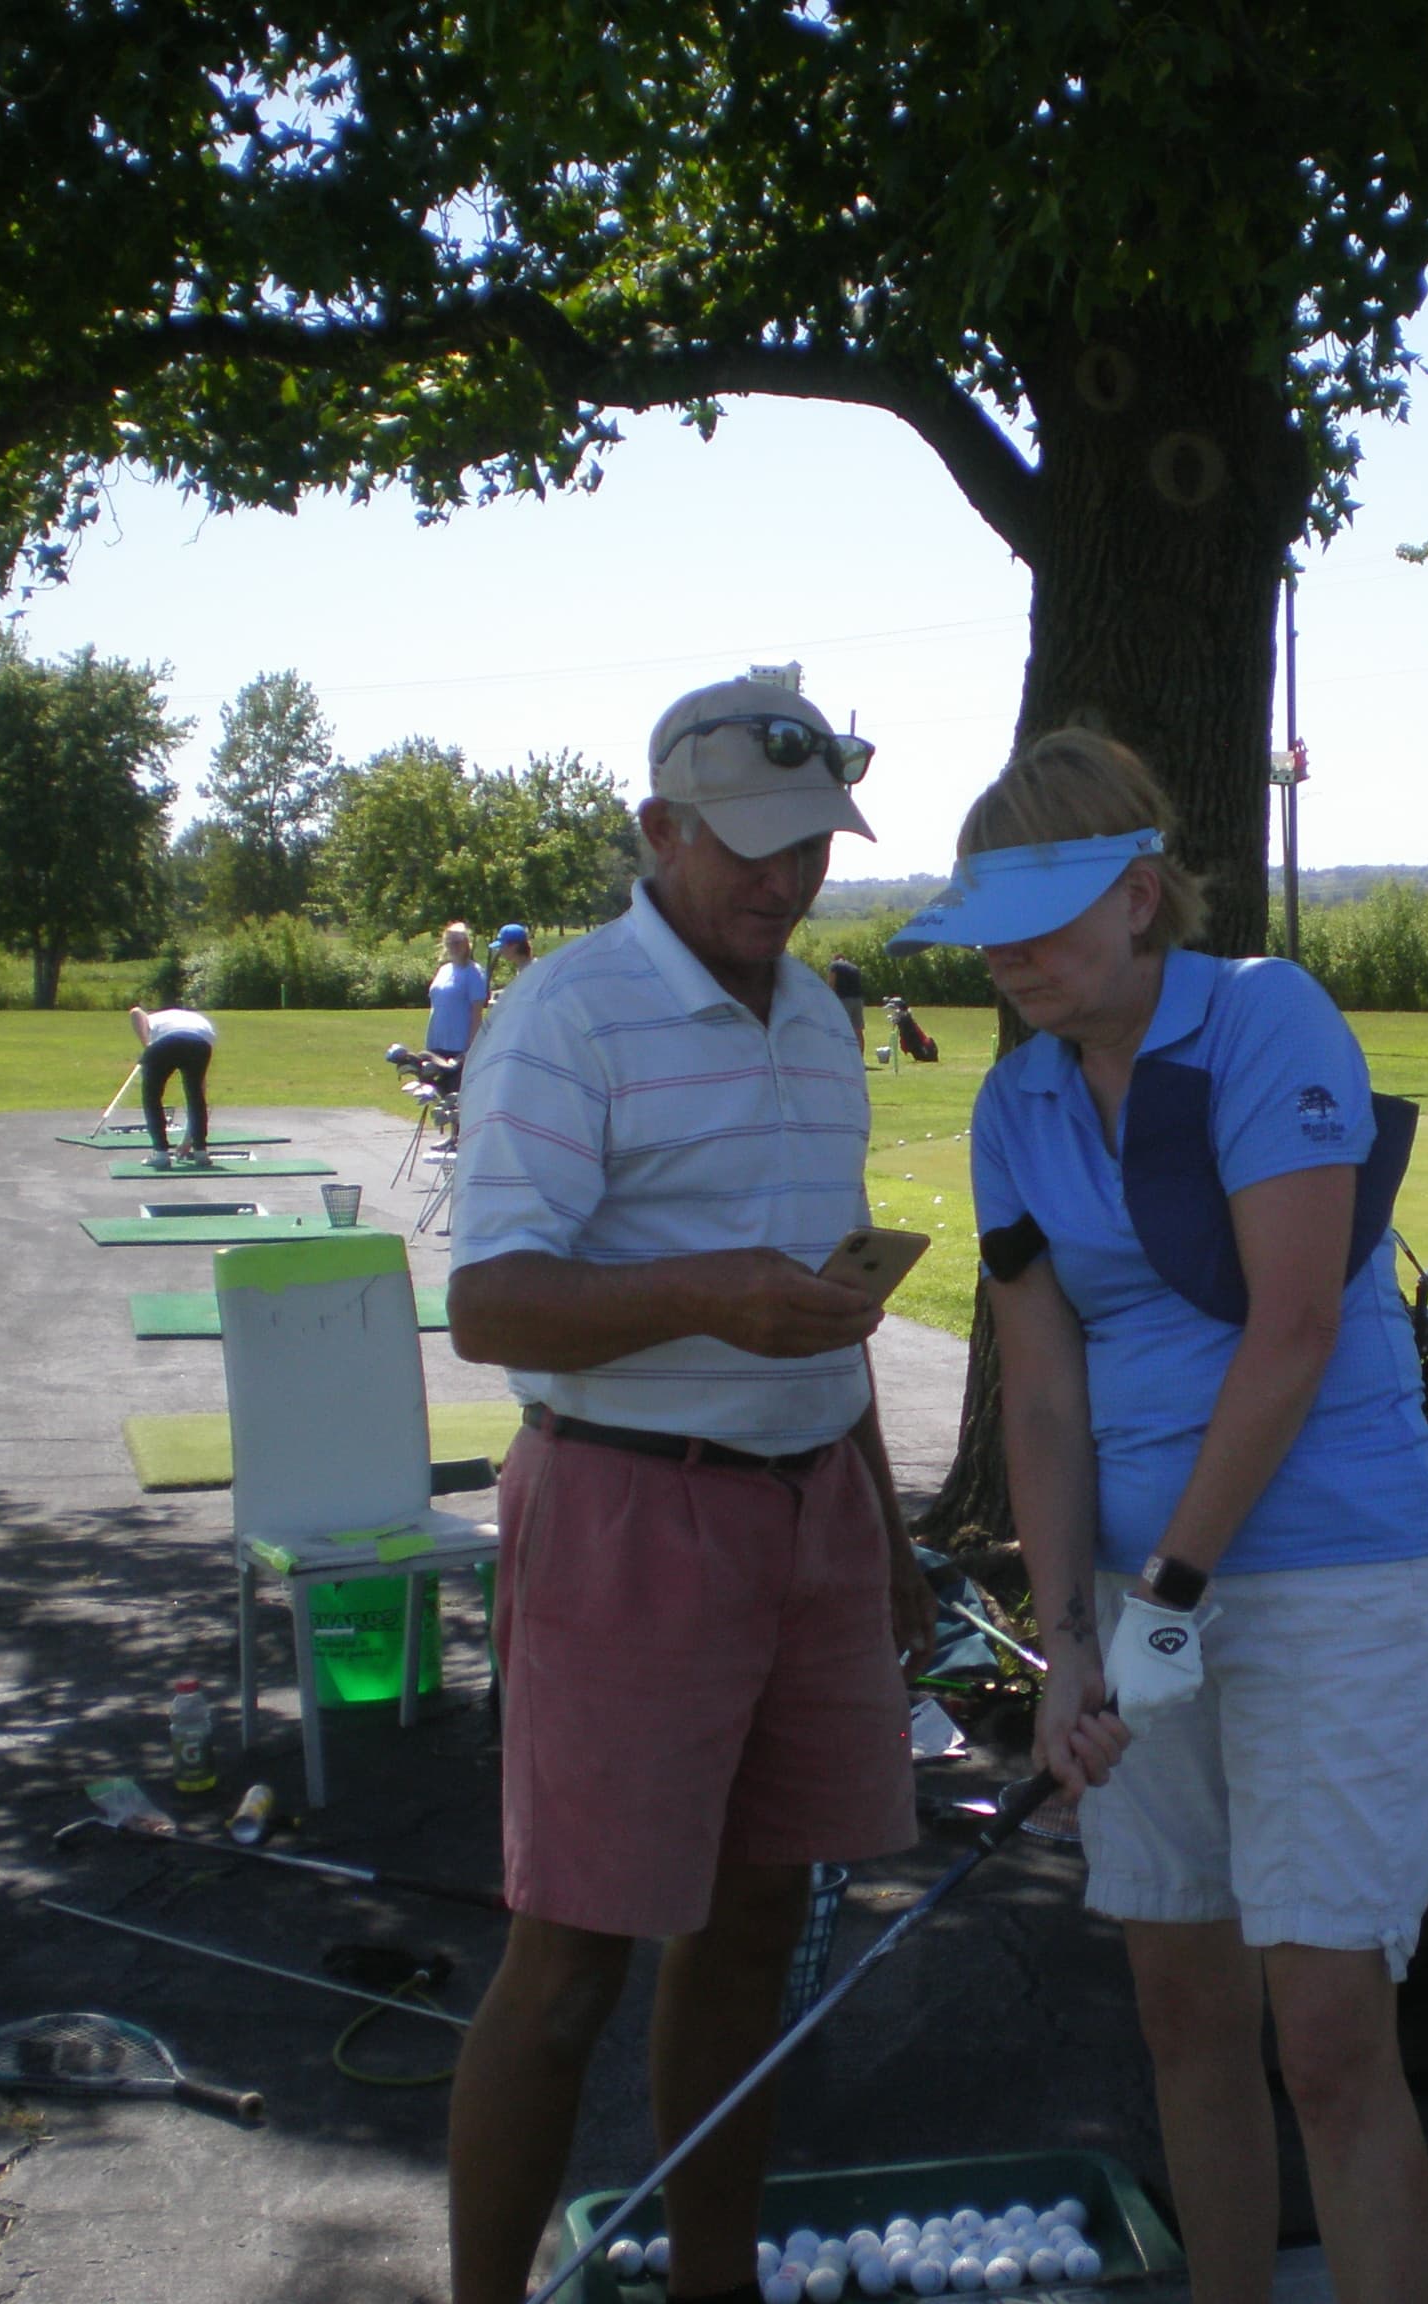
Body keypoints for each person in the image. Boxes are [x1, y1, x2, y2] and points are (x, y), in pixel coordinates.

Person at [889, 729, 1428, 2304]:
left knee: (1332, 2039)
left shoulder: (1270, 1020)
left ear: (1142, 897)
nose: (1006, 961)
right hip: (1147, 1597)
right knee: (1182, 2010)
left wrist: (1168, 1600)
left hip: (1338, 1574)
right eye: (986, 933)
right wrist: (1070, 1638)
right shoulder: (1013, 1102)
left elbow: (1292, 1331)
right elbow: (1043, 1393)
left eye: (1044, 924)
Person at [444, 673, 928, 2304]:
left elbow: (829, 1307)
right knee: (570, 1954)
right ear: (659, 830)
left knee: (753, 1940)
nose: (783, 884)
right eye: (751, 849)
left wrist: (886, 1519)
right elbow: (492, 1303)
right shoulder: (566, 1014)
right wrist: (708, 1291)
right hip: (627, 1512)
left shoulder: (814, 1011)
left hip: (815, 1511)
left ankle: (713, 2284)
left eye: (810, 850)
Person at [124, 1003, 217, 1166]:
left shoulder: (153, 1018)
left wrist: (147, 1046)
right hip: (200, 1045)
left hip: (166, 1044)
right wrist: (189, 1140)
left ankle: (160, 1153)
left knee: (151, 1096)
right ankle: (201, 1152)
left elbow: (135, 1012)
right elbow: (201, 1090)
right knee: (196, 1096)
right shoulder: (197, 1021)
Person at [424, 921, 493, 1093]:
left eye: (458, 942)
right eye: (450, 942)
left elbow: (477, 1013)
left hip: (458, 1047)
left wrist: (470, 1049)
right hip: (436, 1043)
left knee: (455, 1099)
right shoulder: (444, 970)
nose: (453, 946)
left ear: (466, 944)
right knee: (437, 1098)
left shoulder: (474, 973)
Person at [825, 952, 868, 1050]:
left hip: (844, 1000)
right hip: (858, 1000)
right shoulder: (854, 967)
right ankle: (860, 1058)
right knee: (858, 1031)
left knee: (842, 1027)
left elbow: (831, 983)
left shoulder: (834, 965)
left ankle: (844, 1054)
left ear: (835, 959)